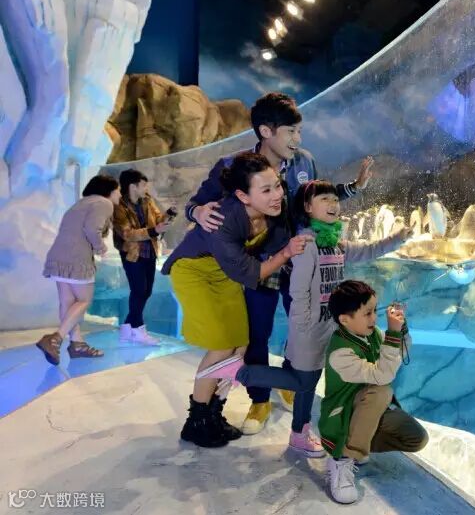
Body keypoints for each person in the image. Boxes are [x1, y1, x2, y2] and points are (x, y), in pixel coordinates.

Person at [182, 92, 375, 434]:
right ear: (266, 131)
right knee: (257, 332)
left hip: (299, 261)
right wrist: (195, 212)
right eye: (291, 131)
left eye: (299, 131)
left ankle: (288, 379)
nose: (297, 139)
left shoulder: (304, 161)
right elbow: (197, 202)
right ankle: (259, 399)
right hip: (260, 264)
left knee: (304, 327)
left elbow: (314, 199)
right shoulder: (235, 167)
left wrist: (353, 188)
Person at [199, 180, 412, 457]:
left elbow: (368, 249)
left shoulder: (335, 244)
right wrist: (302, 327)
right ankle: (240, 372)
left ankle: (299, 433)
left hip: (326, 327)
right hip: (309, 329)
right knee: (302, 382)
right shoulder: (307, 244)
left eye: (335, 199)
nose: (333, 204)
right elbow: (298, 290)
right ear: (308, 207)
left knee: (308, 383)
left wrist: (398, 238)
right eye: (324, 199)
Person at [161, 152, 313, 448]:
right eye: (266, 190)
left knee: (240, 344)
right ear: (243, 195)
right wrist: (285, 254)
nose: (277, 195)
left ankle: (214, 412)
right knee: (221, 345)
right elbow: (253, 273)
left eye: (277, 186)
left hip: (225, 273)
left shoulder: (276, 210)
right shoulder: (223, 218)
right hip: (196, 272)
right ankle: (197, 421)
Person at [320, 280, 428, 504]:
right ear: (345, 320)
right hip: (342, 416)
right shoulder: (340, 352)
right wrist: (392, 334)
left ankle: (359, 444)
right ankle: (342, 458)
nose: (374, 318)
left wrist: (400, 330)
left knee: (416, 438)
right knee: (380, 391)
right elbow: (382, 376)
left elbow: (398, 353)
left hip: (369, 410)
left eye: (375, 311)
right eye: (367, 313)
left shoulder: (373, 334)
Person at [36, 175, 122, 365]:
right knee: (83, 300)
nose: (120, 194)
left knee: (67, 303)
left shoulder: (81, 204)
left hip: (59, 257)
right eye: (118, 190)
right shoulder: (103, 203)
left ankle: (77, 344)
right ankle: (55, 339)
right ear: (109, 190)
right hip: (77, 259)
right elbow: (92, 229)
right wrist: (100, 248)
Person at [112, 169, 172, 344]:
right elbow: (127, 233)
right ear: (133, 186)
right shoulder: (119, 206)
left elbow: (158, 218)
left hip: (149, 250)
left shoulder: (147, 200)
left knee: (146, 291)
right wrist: (154, 231)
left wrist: (168, 215)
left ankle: (127, 327)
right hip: (132, 254)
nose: (146, 188)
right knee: (138, 290)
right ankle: (138, 329)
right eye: (143, 185)